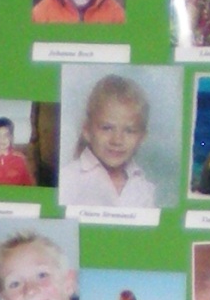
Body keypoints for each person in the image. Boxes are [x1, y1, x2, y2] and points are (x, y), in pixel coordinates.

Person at [62, 74, 155, 208]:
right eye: (107, 128)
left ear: (142, 137)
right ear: (87, 130)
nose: (117, 140)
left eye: (129, 131)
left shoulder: (144, 188)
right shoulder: (68, 179)